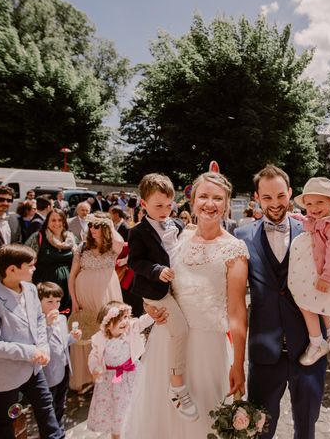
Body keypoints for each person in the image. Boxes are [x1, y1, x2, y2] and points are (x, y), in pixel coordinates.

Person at [123, 172, 248, 438]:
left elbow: (238, 311)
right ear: (191, 202)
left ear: (226, 203)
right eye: (203, 196)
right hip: (167, 343)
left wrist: (238, 363)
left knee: (205, 423)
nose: (210, 203)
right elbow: (159, 283)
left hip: (209, 347)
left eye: (218, 198)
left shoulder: (234, 249)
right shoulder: (177, 240)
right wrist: (150, 306)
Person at [234, 165, 326, 439]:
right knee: (259, 429)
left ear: (290, 193)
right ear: (257, 198)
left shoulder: (312, 231)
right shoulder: (241, 236)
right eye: (267, 197)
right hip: (264, 351)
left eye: (280, 196)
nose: (275, 203)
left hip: (310, 349)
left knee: (306, 426)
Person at [127, 173, 198, 421]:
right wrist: (156, 271)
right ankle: (176, 386)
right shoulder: (138, 232)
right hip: (154, 291)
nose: (165, 211)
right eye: (158, 206)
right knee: (180, 331)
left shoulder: (177, 225)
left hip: (179, 288)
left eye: (169, 205)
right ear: (144, 204)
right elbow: (134, 261)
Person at [0, 244, 63, 439]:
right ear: (12, 270)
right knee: (5, 420)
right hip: (6, 372)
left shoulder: (31, 289)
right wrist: (30, 351)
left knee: (45, 406)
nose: (34, 268)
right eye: (30, 265)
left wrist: (43, 347)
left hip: (33, 368)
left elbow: (39, 320)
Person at [287, 177, 330, 366]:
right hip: (320, 271)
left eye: (319, 202)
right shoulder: (318, 219)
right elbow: (308, 221)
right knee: (316, 303)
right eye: (309, 204)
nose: (313, 208)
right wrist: (295, 217)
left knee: (305, 302)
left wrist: (327, 277)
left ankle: (317, 341)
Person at [68, 213, 124, 392]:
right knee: (87, 333)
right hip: (84, 295)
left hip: (107, 294)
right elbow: (72, 277)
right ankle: (87, 377)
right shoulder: (82, 248)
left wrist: (108, 222)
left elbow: (120, 241)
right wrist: (74, 301)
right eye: (91, 225)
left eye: (97, 225)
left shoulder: (113, 248)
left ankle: (108, 374)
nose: (92, 229)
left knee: (107, 331)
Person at [87, 301, 153, 439]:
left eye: (125, 317)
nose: (124, 322)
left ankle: (136, 432)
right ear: (107, 325)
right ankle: (116, 435)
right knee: (116, 412)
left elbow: (142, 322)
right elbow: (93, 356)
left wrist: (153, 313)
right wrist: (95, 369)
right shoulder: (100, 339)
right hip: (111, 383)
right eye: (119, 320)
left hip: (132, 376)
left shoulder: (130, 331)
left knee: (135, 407)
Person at [38, 282, 82, 428]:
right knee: (49, 404)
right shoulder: (38, 323)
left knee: (61, 402)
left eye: (57, 301)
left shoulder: (62, 319)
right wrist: (48, 325)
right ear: (39, 302)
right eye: (49, 302)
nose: (54, 306)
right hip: (49, 371)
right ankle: (51, 430)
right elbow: (39, 342)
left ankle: (59, 427)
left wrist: (72, 337)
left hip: (63, 367)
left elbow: (63, 342)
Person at [26, 209, 78, 314]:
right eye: (53, 220)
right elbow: (26, 261)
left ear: (64, 222)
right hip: (45, 288)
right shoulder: (38, 237)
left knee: (64, 318)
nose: (57, 223)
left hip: (68, 287)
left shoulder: (71, 239)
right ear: (47, 222)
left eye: (60, 220)